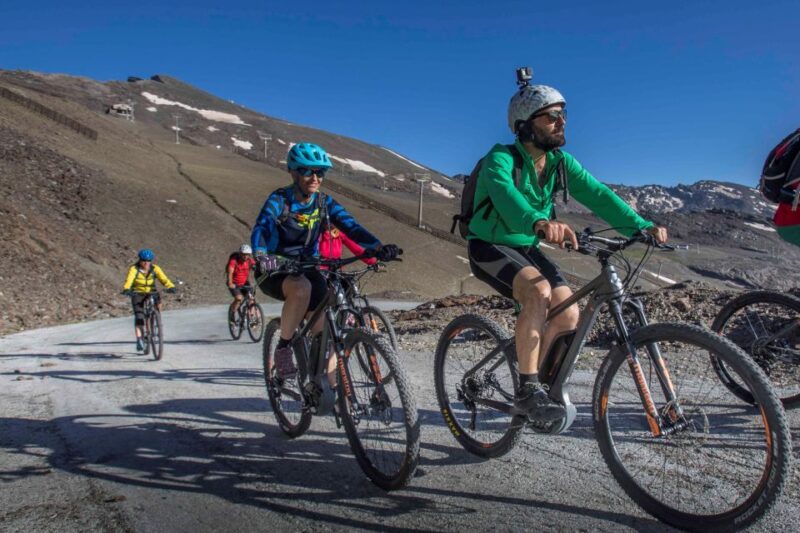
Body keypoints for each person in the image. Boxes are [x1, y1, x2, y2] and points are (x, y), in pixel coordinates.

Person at [466, 75, 667, 423]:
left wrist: (641, 227)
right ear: (524, 126)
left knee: (569, 312)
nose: (561, 122)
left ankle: (537, 388)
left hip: (526, 245)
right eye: (551, 116)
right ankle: (529, 390)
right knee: (538, 291)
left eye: (563, 114)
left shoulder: (561, 163)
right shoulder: (500, 159)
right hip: (489, 244)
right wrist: (538, 222)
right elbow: (506, 198)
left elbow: (599, 195)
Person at [251, 142, 399, 384]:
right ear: (294, 171)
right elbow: (263, 226)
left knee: (324, 327)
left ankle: (318, 383)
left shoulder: (323, 203)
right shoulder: (280, 200)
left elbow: (351, 226)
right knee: (301, 289)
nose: (315, 177)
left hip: (308, 267)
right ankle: (284, 347)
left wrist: (379, 247)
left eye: (320, 172)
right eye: (308, 171)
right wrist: (260, 253)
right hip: (274, 268)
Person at [121, 249, 176, 352]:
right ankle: (139, 339)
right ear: (140, 260)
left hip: (151, 292)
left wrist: (171, 286)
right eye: (143, 260)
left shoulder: (155, 268)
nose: (146, 263)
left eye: (148, 260)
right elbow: (129, 280)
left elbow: (164, 279)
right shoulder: (134, 269)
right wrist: (126, 289)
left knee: (158, 303)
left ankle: (156, 319)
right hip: (138, 293)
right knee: (139, 317)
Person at [227, 244, 256, 325]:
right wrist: (230, 283)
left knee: (251, 299)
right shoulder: (234, 261)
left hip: (244, 283)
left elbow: (255, 265)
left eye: (247, 254)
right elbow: (230, 272)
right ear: (240, 254)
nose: (245, 256)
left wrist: (257, 268)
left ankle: (252, 318)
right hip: (234, 283)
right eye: (243, 254)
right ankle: (232, 314)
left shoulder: (249, 260)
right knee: (239, 299)